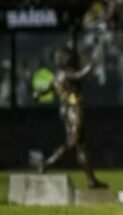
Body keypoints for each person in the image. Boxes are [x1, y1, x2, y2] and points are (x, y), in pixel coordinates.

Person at [32, 48, 108, 189]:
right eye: (62, 56)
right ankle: (47, 163)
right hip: (73, 109)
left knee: (81, 147)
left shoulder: (57, 76)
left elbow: (46, 89)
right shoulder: (66, 73)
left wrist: (37, 93)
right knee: (73, 142)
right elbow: (80, 75)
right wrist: (93, 63)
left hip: (66, 110)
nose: (65, 58)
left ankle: (91, 180)